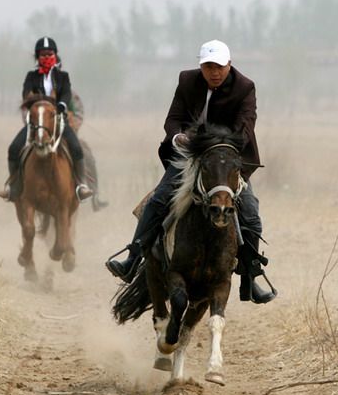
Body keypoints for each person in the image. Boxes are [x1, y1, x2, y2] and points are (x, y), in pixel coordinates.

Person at [106, 39, 276, 304]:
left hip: (227, 158)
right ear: (201, 67)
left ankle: (250, 276)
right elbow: (172, 119)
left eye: (219, 66)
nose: (214, 72)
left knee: (251, 213)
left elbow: (245, 128)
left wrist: (215, 144)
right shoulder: (187, 81)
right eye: (208, 67)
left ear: (229, 65)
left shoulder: (245, 87)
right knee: (159, 198)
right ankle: (133, 256)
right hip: (189, 156)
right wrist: (177, 138)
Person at [0, 36, 93, 202]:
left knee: (76, 148)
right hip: (36, 123)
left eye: (49, 54)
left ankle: (81, 186)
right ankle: (14, 187)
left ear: (55, 55)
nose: (46, 58)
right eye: (42, 55)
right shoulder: (31, 77)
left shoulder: (63, 76)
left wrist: (62, 104)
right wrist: (36, 106)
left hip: (57, 122)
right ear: (37, 57)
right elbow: (26, 95)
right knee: (14, 148)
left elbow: (66, 93)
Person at [67, 90, 108, 211]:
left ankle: (94, 195)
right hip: (42, 135)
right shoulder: (38, 91)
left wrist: (73, 123)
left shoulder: (70, 94)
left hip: (68, 134)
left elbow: (79, 113)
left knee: (87, 156)